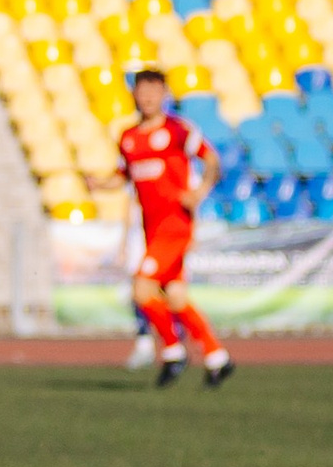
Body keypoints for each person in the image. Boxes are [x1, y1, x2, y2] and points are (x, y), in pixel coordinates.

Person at [86, 67, 233, 388]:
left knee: (141, 288)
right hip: (151, 228)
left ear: (165, 94)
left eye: (154, 90)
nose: (148, 97)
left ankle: (172, 350)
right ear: (134, 95)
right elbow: (122, 175)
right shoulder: (128, 137)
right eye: (142, 90)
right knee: (176, 296)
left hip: (175, 224)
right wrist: (99, 183)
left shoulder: (178, 130)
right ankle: (216, 356)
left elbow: (211, 159)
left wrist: (200, 192)